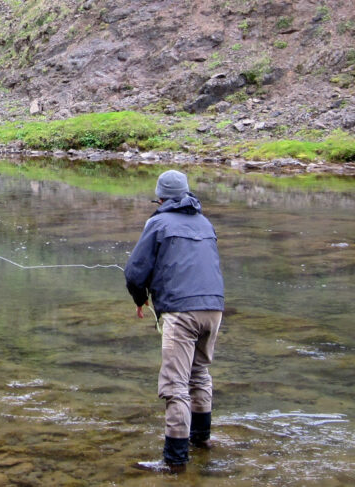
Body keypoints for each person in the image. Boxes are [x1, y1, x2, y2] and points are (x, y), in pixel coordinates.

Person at [124, 169, 225, 474]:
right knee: (199, 374)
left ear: (161, 197)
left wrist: (140, 299)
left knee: (175, 384)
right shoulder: (205, 223)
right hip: (214, 308)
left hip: (182, 312)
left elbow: (134, 272)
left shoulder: (158, 222)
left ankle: (174, 461)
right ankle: (201, 441)